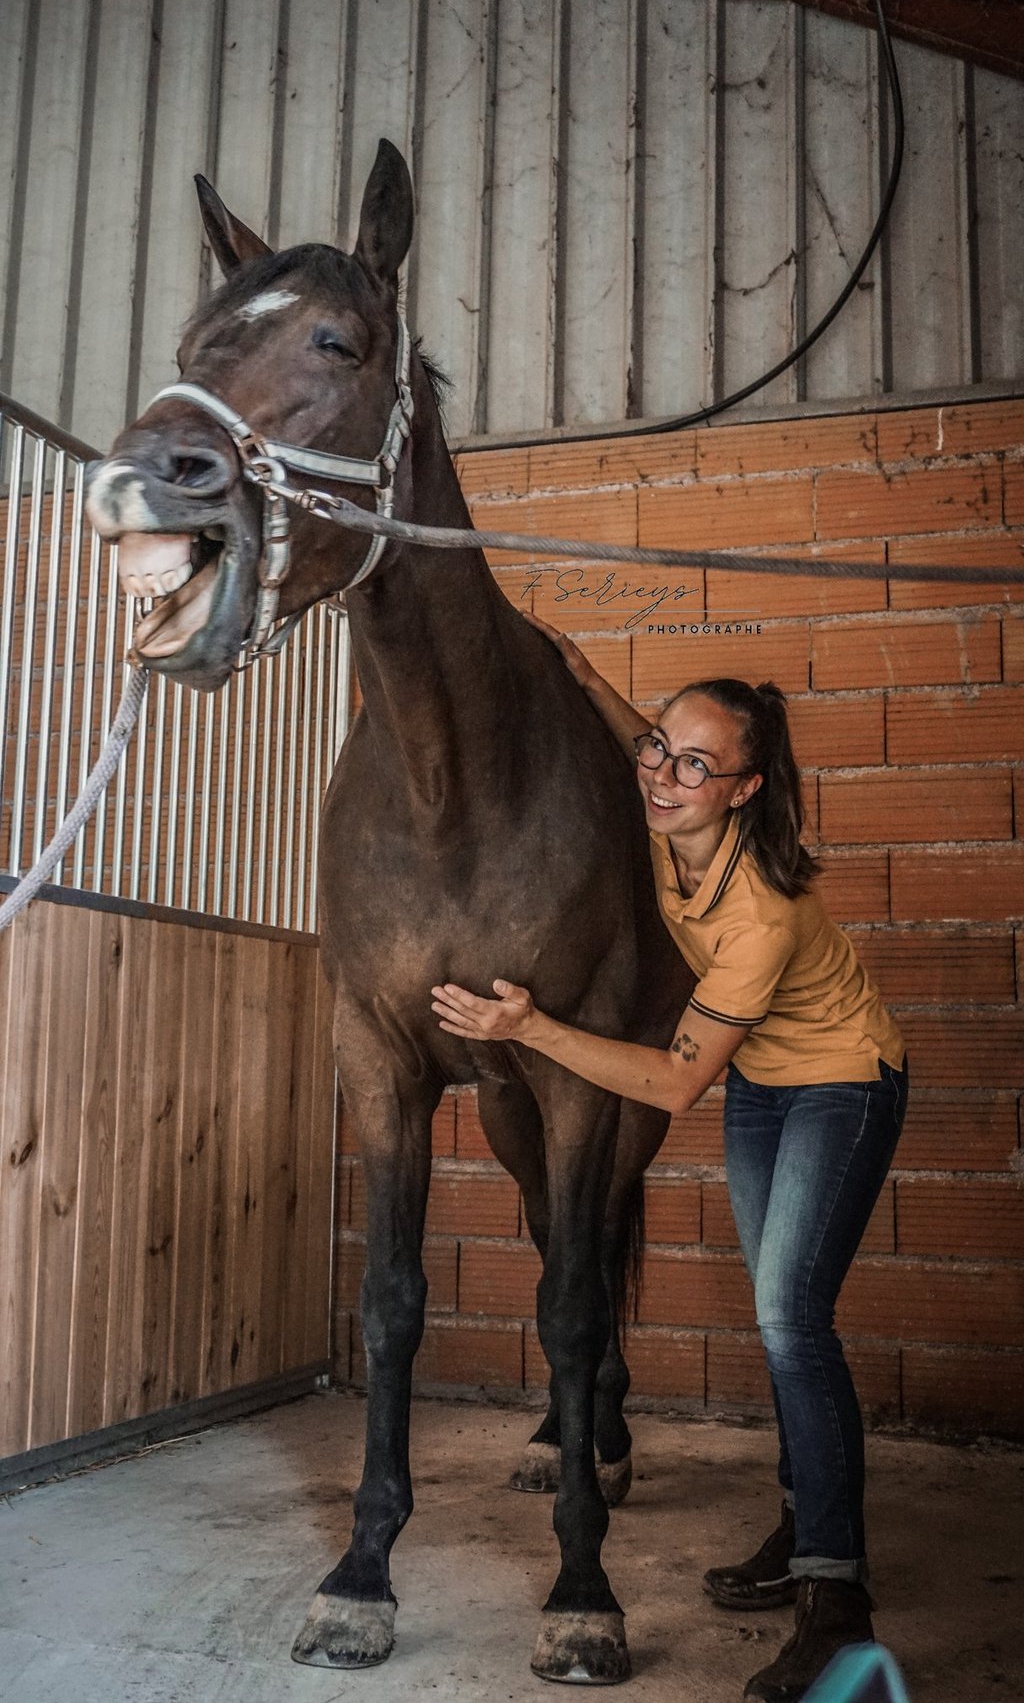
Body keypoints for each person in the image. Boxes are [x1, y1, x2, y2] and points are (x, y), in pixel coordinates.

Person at [430, 613, 909, 1703]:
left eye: (695, 762)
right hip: (766, 1085)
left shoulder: (763, 911)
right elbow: (641, 742)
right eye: (658, 748)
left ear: (741, 788)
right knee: (776, 1308)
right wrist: (585, 672)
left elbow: (668, 1080)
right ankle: (805, 1525)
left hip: (843, 1082)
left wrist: (529, 1030)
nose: (662, 772)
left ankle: (835, 1598)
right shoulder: (661, 815)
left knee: (794, 1319)